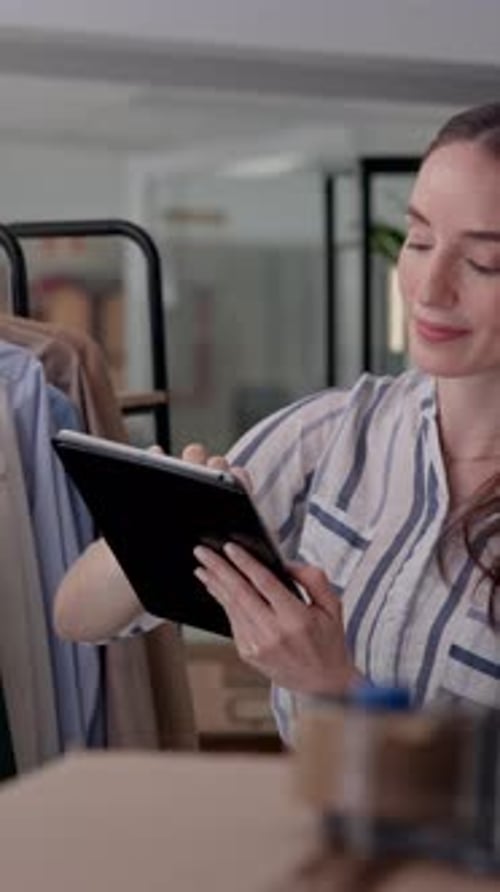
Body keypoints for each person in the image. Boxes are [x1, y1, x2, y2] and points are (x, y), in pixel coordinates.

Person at [55, 102, 500, 745]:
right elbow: (78, 615)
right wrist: (164, 513)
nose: (429, 287)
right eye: (420, 240)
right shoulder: (335, 432)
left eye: (485, 263)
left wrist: (334, 687)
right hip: (324, 840)